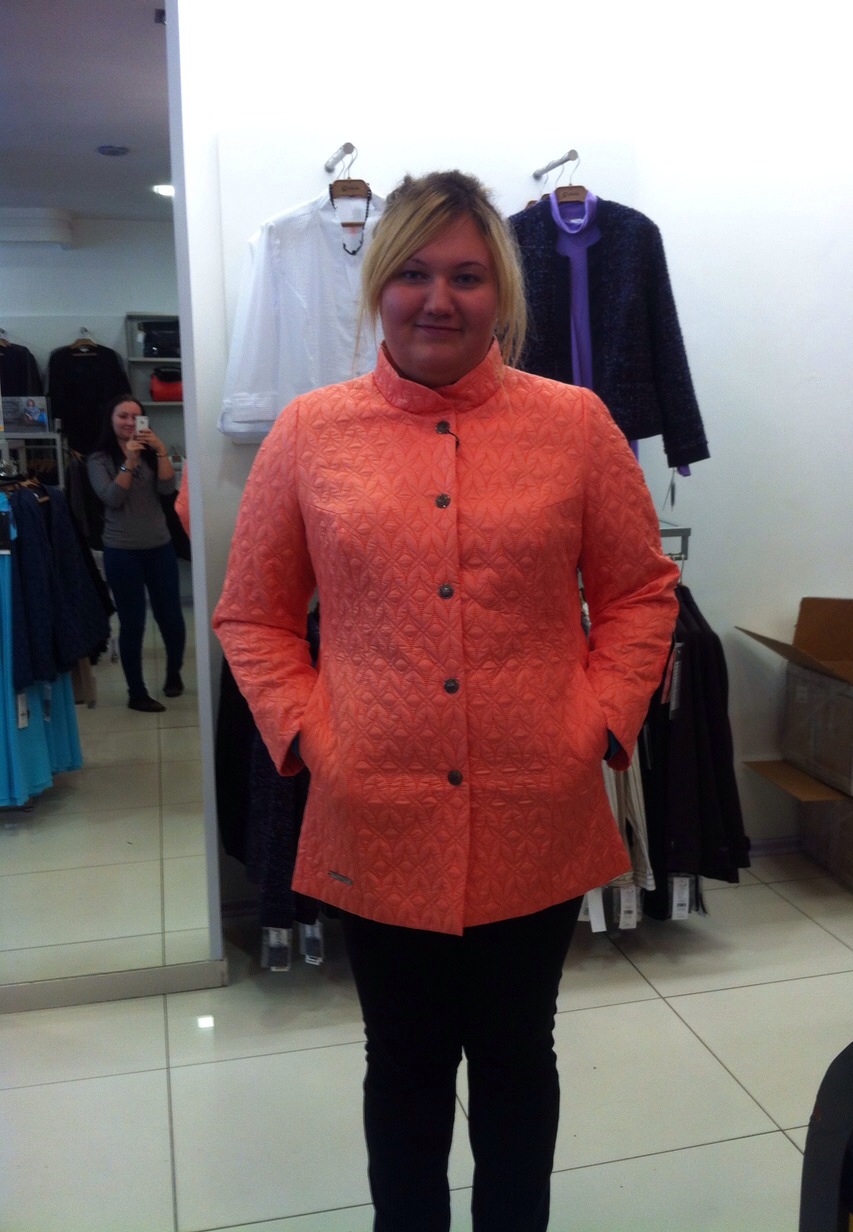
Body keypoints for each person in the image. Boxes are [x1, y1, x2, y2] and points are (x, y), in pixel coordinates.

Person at [213, 170, 679, 1231]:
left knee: (518, 1054)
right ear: (378, 284)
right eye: (414, 274)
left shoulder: (574, 424)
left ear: (500, 292)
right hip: (376, 809)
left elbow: (640, 592)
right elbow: (253, 614)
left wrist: (597, 721)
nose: (438, 299)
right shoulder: (308, 432)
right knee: (404, 1062)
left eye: (467, 276)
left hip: (535, 802)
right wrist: (314, 736)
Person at [87, 393, 186, 713]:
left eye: (135, 416)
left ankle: (174, 673)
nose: (130, 422)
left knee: (171, 618)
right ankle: (136, 693)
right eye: (123, 416)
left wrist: (160, 451)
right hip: (122, 551)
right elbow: (112, 497)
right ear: (111, 420)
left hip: (159, 546)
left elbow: (167, 490)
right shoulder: (98, 459)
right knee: (133, 623)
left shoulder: (151, 452)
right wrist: (129, 460)